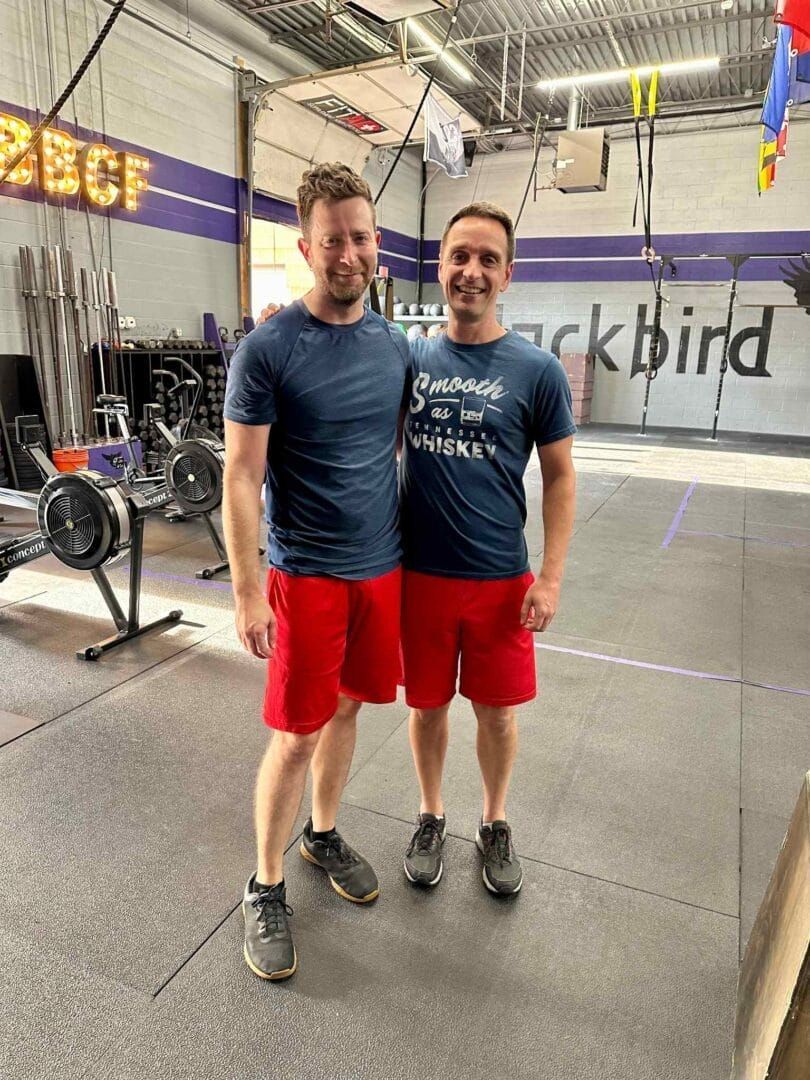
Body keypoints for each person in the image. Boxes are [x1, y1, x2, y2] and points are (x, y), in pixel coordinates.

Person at [223, 162, 410, 981]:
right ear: (306, 247)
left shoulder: (394, 347)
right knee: (296, 734)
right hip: (306, 578)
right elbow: (240, 475)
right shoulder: (268, 349)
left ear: (377, 243)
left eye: (360, 238)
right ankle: (263, 886)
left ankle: (322, 834)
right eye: (332, 240)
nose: (348, 253)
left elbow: (389, 450)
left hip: (381, 571)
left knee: (348, 709)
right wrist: (246, 590)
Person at [399, 201, 577, 896]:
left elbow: (560, 478)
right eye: (460, 256)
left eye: (487, 259)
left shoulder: (537, 370)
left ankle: (494, 821)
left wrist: (550, 579)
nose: (471, 271)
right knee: (426, 707)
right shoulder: (410, 359)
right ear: (440, 265)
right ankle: (430, 813)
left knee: (497, 713)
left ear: (507, 274)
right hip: (420, 575)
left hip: (501, 578)